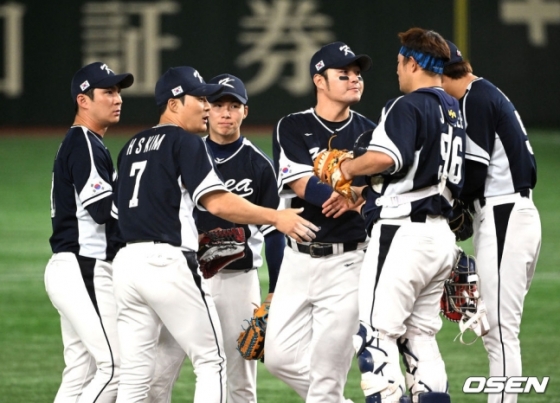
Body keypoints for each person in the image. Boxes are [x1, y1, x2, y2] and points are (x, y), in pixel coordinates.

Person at [111, 66, 318, 403]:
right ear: (175, 103)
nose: (208, 108)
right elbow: (218, 202)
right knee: (211, 362)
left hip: (128, 265)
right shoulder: (184, 141)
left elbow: (116, 215)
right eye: (202, 99)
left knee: (137, 375)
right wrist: (275, 216)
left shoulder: (132, 145)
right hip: (169, 265)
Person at [326, 28, 466, 403]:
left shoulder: (408, 104)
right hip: (439, 238)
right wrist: (367, 192)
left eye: (400, 63)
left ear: (413, 62)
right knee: (419, 334)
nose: (398, 71)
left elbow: (389, 158)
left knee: (376, 333)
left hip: (402, 235)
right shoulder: (453, 109)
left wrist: (349, 169)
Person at [147, 73, 285, 403]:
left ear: (245, 112)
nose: (225, 112)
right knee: (159, 372)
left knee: (239, 381)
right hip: (186, 277)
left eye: (234, 105)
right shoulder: (186, 152)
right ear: (206, 109)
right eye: (218, 104)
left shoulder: (258, 165)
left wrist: (274, 292)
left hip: (238, 282)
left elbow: (274, 235)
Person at [264, 41, 376, 403]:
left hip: (348, 261)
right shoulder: (293, 126)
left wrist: (357, 197)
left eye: (357, 74)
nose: (354, 80)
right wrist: (349, 192)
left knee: (327, 377)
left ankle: (328, 396)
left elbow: (380, 190)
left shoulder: (372, 131)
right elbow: (299, 182)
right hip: (297, 260)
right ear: (319, 81)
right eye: (343, 74)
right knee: (277, 358)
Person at [441, 40, 541, 403]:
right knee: (499, 331)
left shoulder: (475, 98)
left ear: (440, 74)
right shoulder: (486, 91)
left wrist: (449, 204)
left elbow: (474, 172)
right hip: (512, 214)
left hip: (503, 215)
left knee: (499, 331)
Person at [45, 62, 134, 402]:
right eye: (108, 92)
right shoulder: (83, 142)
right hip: (85, 267)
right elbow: (101, 209)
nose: (117, 99)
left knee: (81, 373)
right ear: (83, 100)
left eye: (118, 92)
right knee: (115, 369)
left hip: (70, 268)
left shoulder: (85, 142)